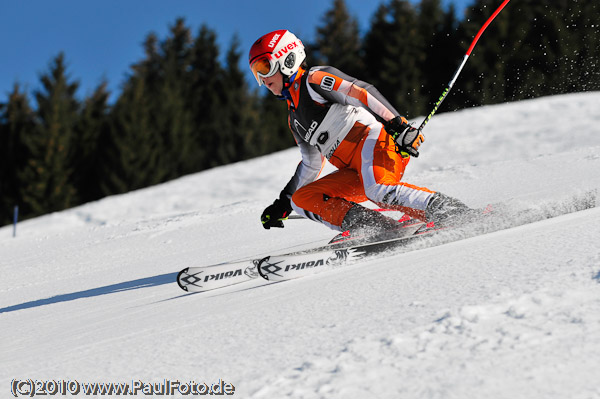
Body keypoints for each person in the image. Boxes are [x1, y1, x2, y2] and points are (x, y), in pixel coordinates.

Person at [249, 29, 474, 238]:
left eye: (264, 67)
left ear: (286, 58)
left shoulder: (313, 80)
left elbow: (360, 92)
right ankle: (373, 227)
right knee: (302, 199)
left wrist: (398, 124)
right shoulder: (294, 118)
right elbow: (310, 164)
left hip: (376, 143)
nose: (262, 79)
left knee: (378, 189)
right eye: (255, 72)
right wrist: (283, 203)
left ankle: (448, 211)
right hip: (354, 170)